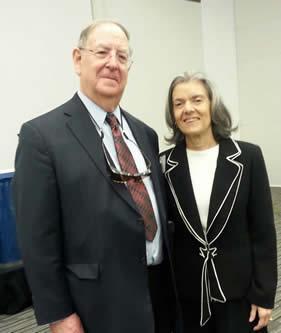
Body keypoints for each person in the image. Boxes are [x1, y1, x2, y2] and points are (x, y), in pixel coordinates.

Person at [12, 20, 176, 333]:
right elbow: (37, 239)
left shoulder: (145, 134)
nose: (112, 64)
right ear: (78, 59)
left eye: (122, 56)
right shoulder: (42, 136)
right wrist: (58, 315)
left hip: (158, 294)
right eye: (102, 52)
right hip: (96, 305)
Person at [160, 72, 277, 333]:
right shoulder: (165, 164)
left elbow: (263, 232)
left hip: (240, 297)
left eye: (197, 100)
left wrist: (264, 294)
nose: (188, 109)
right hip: (188, 298)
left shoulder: (248, 157)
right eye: (178, 104)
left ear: (213, 105)